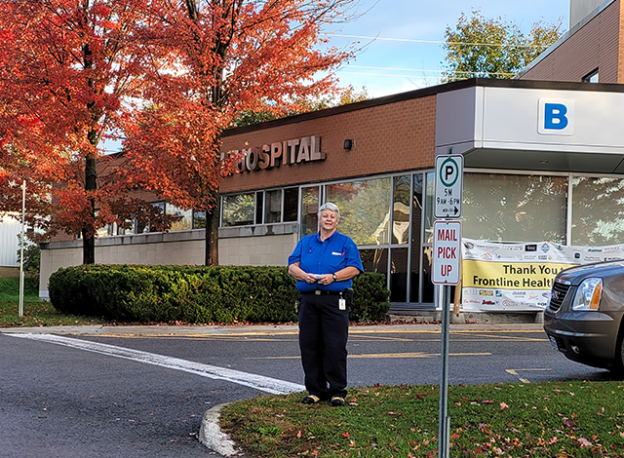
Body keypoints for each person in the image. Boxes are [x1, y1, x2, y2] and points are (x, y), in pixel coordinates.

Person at [288, 202, 364, 406]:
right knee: (309, 345)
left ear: (337, 220)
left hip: (334, 301)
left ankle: (337, 391)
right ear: (319, 219)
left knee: (335, 346)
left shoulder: (346, 243)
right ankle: (315, 390)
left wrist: (334, 277)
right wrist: (304, 275)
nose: (328, 219)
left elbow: (355, 268)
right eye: (325, 216)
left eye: (332, 216)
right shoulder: (305, 242)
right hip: (309, 301)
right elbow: (291, 267)